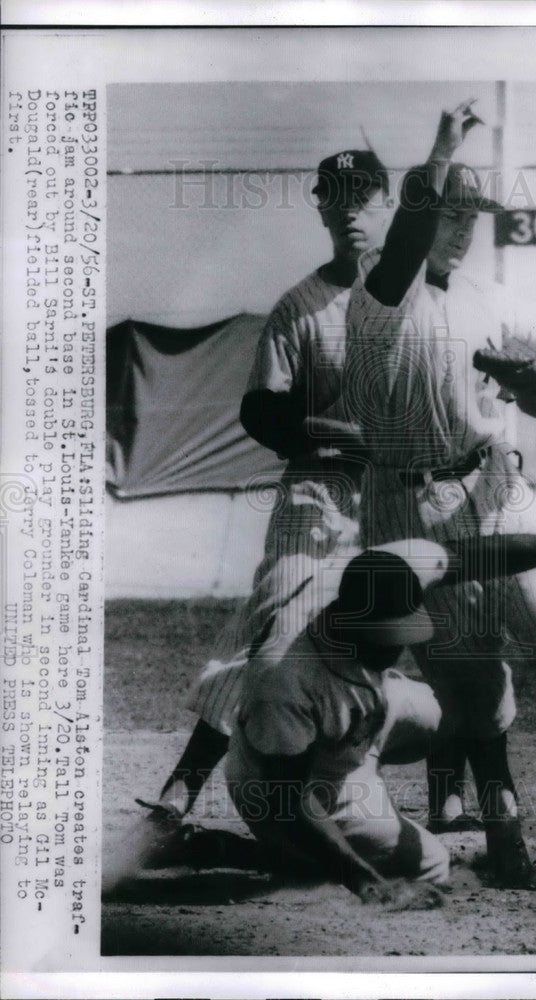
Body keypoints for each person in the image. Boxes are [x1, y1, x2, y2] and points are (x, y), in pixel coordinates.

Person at [342, 99, 536, 888]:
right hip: (404, 506)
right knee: (469, 680)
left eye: (471, 214)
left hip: (492, 483)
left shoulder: (487, 295)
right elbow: (409, 235)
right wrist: (442, 144)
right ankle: (501, 812)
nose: (460, 225)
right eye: (449, 210)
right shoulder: (379, 298)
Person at [132, 150, 393, 823]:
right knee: (269, 631)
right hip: (319, 495)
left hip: (402, 497)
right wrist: (336, 431)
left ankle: (459, 794)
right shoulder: (299, 306)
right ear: (320, 207)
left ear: (389, 204)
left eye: (363, 196)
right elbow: (261, 410)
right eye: (335, 196)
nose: (349, 210)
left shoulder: (423, 298)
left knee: (439, 632)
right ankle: (182, 793)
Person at [225, 526, 536, 902]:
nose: (401, 643)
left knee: (454, 709)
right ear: (347, 622)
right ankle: (245, 852)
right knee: (430, 864)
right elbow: (288, 799)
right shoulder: (282, 677)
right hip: (290, 782)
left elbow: (491, 552)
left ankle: (469, 821)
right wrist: (366, 882)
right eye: (388, 634)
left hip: (358, 718)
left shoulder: (390, 568)